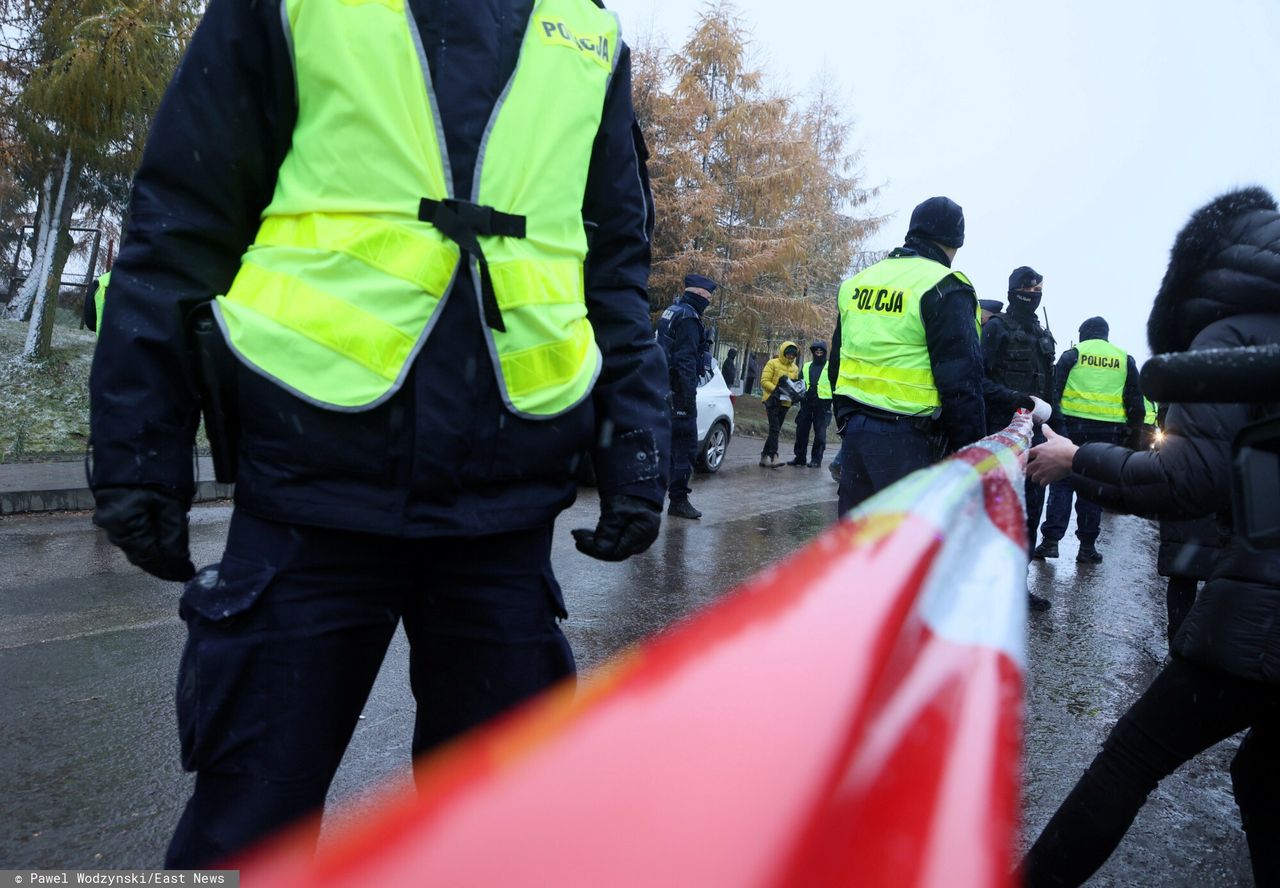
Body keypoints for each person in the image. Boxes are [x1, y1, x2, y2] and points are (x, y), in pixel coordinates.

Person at [87, 0, 669, 867]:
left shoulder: (586, 35)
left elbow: (613, 266)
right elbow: (183, 218)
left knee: (500, 841)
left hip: (501, 509)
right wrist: (139, 447)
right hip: (308, 491)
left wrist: (637, 444)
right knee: (244, 837)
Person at [1022, 186, 1280, 888]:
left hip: (1264, 610)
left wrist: (1074, 461)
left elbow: (1189, 480)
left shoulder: (1231, 335)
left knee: (1133, 755)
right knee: (1264, 774)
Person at [827, 196, 986, 515]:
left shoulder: (859, 282)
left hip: (857, 431)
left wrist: (846, 420)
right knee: (905, 549)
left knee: (859, 543)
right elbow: (961, 383)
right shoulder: (944, 286)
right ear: (955, 243)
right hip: (910, 441)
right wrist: (973, 457)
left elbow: (837, 362)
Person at [1032, 316, 1143, 563]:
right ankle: (1087, 547)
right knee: (1093, 489)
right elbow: (1135, 404)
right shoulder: (1125, 359)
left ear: (1084, 333)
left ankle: (1050, 541)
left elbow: (1053, 393)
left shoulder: (1073, 355)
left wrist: (1054, 426)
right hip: (1107, 435)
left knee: (1061, 485)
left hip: (1070, 430)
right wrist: (1131, 442)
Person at [981, 266, 1056, 610]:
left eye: (1038, 287)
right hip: (1000, 435)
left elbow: (1050, 389)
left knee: (1030, 511)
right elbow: (978, 381)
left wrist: (1056, 429)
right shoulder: (996, 329)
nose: (1033, 292)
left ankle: (1016, 585)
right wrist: (1019, 400)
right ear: (1013, 291)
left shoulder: (1043, 335)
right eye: (1027, 287)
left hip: (1036, 441)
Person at [657, 274, 716, 519]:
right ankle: (678, 501)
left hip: (661, 389)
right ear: (700, 295)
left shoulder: (672, 311)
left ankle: (646, 499)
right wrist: (688, 399)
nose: (709, 302)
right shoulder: (689, 319)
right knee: (685, 448)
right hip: (678, 394)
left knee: (661, 449)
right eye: (708, 298)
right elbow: (684, 361)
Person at [788, 340, 832, 467]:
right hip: (806, 402)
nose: (818, 353)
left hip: (823, 405)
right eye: (816, 351)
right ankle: (800, 457)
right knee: (801, 431)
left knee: (820, 434)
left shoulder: (830, 367)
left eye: (821, 351)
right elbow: (799, 382)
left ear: (824, 353)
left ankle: (816, 460)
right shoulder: (807, 366)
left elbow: (835, 385)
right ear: (813, 352)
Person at [759, 341, 802, 466]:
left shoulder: (795, 368)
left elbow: (793, 385)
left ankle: (764, 455)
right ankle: (774, 456)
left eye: (793, 355)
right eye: (788, 354)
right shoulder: (772, 363)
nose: (790, 357)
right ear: (783, 352)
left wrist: (796, 393)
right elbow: (764, 381)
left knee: (775, 430)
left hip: (785, 403)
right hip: (772, 400)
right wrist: (776, 390)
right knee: (775, 428)